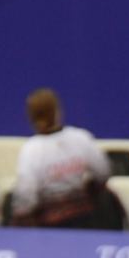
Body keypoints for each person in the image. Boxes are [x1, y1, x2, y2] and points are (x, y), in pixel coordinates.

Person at [11, 88, 112, 228]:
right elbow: (103, 172)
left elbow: (26, 198)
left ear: (31, 117)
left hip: (48, 226)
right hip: (84, 220)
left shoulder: (31, 150)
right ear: (58, 112)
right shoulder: (81, 138)